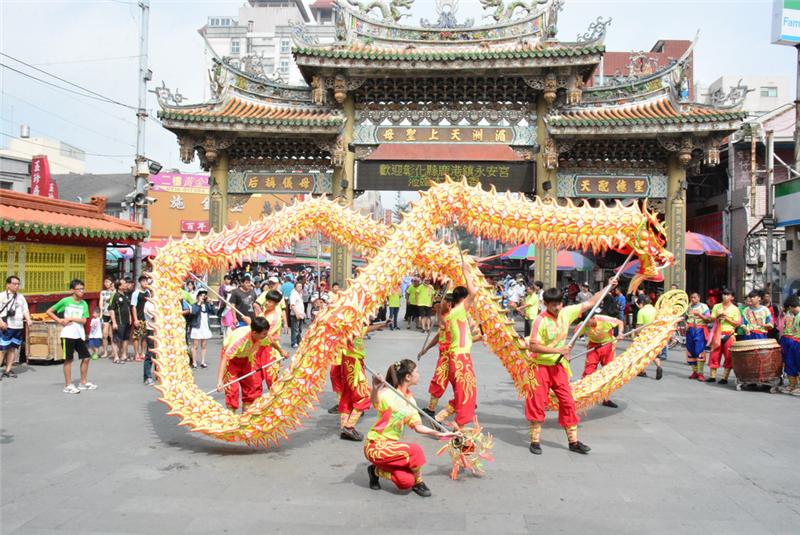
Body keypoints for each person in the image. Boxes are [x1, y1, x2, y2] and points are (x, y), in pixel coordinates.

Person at [525, 281, 615, 455]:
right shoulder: (539, 320)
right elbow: (533, 347)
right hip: (540, 367)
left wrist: (609, 286)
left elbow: (591, 302)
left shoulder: (566, 312)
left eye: (558, 304)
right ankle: (535, 441)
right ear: (546, 304)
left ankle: (573, 442)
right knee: (537, 403)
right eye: (553, 305)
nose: (557, 308)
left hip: (559, 367)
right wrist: (558, 350)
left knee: (568, 402)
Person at [364, 359, 459, 497]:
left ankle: (375, 471)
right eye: (416, 372)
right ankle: (419, 482)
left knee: (405, 481)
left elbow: (418, 426)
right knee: (415, 450)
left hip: (392, 447)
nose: (418, 374)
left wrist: (440, 434)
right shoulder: (388, 394)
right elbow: (375, 401)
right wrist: (375, 387)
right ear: (408, 376)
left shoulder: (411, 401)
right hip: (376, 446)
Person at [434, 259, 479, 431]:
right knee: (467, 392)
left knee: (464, 392)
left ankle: (440, 417)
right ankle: (458, 427)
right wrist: (466, 271)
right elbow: (473, 292)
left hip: (458, 357)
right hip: (460, 359)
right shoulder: (459, 310)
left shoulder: (454, 314)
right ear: (462, 299)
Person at [338, 319, 390, 441]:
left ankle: (344, 427)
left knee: (348, 395)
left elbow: (365, 329)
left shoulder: (354, 327)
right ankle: (349, 427)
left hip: (350, 363)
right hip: (352, 364)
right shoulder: (349, 328)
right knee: (364, 396)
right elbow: (355, 333)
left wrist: (381, 325)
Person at [215, 317, 280, 411]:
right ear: (254, 333)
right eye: (264, 334)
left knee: (251, 387)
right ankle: (231, 417)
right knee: (232, 389)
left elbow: (271, 342)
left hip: (247, 359)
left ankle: (246, 416)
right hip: (231, 361)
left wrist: (282, 352)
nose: (266, 336)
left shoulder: (261, 335)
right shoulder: (239, 341)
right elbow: (225, 358)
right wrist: (219, 381)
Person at [46, 279, 96, 394]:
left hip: (79, 335)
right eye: (79, 289)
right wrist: (60, 320)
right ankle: (68, 385)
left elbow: (84, 320)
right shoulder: (66, 301)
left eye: (83, 289)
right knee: (68, 359)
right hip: (68, 334)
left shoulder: (84, 304)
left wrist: (71, 318)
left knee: (86, 358)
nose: (82, 291)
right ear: (72, 290)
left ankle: (83, 382)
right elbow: (49, 311)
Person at [418, 293, 454, 418]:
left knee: (441, 381)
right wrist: (426, 349)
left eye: (442, 302)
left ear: (449, 304)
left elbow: (443, 326)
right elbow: (439, 336)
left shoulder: (452, 317)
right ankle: (431, 408)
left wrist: (438, 312)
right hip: (443, 356)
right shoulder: (445, 316)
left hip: (451, 356)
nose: (438, 304)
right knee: (438, 382)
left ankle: (440, 412)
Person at [579, 313, 624, 408]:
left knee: (608, 372)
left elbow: (620, 322)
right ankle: (582, 396)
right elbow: (574, 337)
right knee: (588, 372)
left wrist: (620, 333)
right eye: (585, 322)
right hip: (593, 347)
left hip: (607, 345)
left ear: (592, 318)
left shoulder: (604, 319)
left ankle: (606, 398)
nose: (587, 325)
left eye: (588, 322)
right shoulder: (582, 325)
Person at [253, 290, 287, 390]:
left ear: (276, 304)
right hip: (258, 349)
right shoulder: (264, 313)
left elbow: (265, 337)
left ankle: (275, 403)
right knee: (255, 379)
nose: (267, 303)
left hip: (270, 350)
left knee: (271, 380)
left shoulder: (274, 318)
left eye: (270, 302)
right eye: (267, 300)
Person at [706, 288, 742, 384]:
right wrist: (717, 317)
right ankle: (712, 376)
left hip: (729, 334)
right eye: (723, 294)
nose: (724, 296)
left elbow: (737, 323)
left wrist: (727, 319)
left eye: (727, 295)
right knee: (714, 354)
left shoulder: (735, 309)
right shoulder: (717, 306)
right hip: (717, 333)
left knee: (728, 356)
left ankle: (724, 378)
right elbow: (711, 318)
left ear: (732, 297)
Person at [0, 275, 32, 379]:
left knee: (13, 349)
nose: (17, 286)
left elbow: (25, 310)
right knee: (2, 350)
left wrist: (28, 320)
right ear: (8, 285)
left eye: (18, 284)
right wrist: (1, 322)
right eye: (14, 284)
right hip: (6, 326)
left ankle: (8, 370)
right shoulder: (2, 296)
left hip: (18, 327)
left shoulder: (21, 297)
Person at [635, 295, 664, 380]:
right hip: (655, 334)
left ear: (642, 303)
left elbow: (639, 326)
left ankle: (642, 371)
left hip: (645, 335)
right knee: (655, 353)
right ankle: (659, 366)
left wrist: (637, 334)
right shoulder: (655, 310)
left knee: (643, 353)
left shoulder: (641, 311)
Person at [685, 292, 711, 381]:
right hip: (690, 330)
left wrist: (699, 315)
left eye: (695, 297)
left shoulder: (704, 306)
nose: (693, 299)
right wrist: (686, 324)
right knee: (691, 350)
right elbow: (685, 318)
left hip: (699, 330)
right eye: (691, 297)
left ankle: (701, 373)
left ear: (699, 298)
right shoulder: (688, 307)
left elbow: (708, 319)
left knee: (699, 350)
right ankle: (694, 371)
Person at [778, 296, 800, 395]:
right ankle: (792, 386)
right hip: (793, 342)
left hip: (797, 342)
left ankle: (795, 386)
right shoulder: (794, 315)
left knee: (796, 364)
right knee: (790, 363)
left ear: (790, 307)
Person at [190, 290, 217, 368]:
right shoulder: (194, 305)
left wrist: (211, 303)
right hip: (197, 326)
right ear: (198, 296)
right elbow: (194, 312)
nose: (203, 297)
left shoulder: (207, 305)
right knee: (195, 345)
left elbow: (214, 312)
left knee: (204, 345)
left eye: (204, 296)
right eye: (201, 295)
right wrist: (199, 303)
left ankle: (203, 361)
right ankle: (194, 362)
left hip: (205, 327)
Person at [108, 278, 132, 363]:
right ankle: (116, 357)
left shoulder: (125, 295)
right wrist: (114, 322)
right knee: (116, 339)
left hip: (126, 321)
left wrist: (130, 317)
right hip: (119, 321)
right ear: (119, 286)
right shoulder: (114, 295)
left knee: (125, 339)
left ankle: (124, 355)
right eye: (124, 283)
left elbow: (128, 307)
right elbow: (111, 309)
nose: (126, 285)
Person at [131, 275, 151, 362]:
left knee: (144, 337)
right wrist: (135, 319)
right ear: (140, 282)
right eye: (143, 281)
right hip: (138, 317)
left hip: (146, 318)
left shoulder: (148, 292)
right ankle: (136, 353)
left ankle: (143, 352)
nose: (145, 283)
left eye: (146, 281)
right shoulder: (136, 293)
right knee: (136, 337)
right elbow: (133, 307)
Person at [142, 295, 157, 386]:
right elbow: (156, 318)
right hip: (151, 330)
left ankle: (158, 374)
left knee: (159, 353)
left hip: (160, 330)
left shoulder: (159, 303)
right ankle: (147, 376)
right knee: (150, 353)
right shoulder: (149, 304)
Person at [99, 277, 114, 358]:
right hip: (105, 314)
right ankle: (105, 351)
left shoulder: (114, 292)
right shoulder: (103, 292)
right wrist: (101, 309)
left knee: (111, 335)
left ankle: (113, 351)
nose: (106, 283)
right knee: (104, 335)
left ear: (112, 283)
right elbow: (101, 301)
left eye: (107, 282)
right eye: (105, 282)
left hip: (113, 315)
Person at [288, 280, 305, 348]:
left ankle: (298, 341)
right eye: (298, 286)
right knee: (295, 329)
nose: (300, 287)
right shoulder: (293, 294)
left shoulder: (299, 294)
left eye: (301, 286)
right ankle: (294, 342)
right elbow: (292, 305)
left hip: (300, 314)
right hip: (295, 314)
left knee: (299, 329)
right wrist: (296, 313)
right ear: (295, 287)